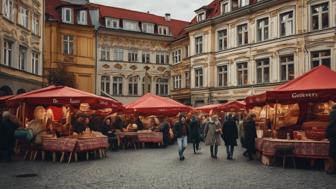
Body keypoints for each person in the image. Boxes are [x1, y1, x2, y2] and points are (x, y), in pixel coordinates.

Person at [326, 105, 336, 174]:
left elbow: (330, 125)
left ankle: (332, 169)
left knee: (332, 153)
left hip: (333, 135)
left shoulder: (333, 113)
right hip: (333, 134)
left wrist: (327, 135)